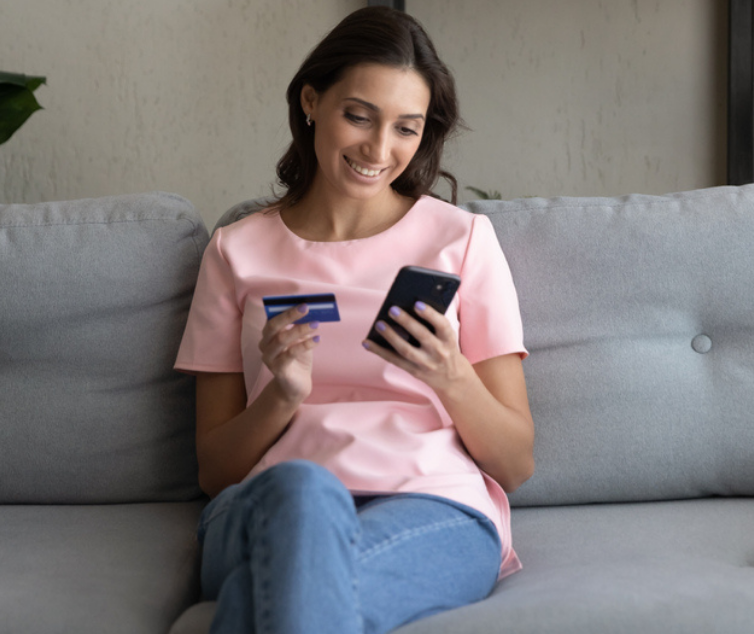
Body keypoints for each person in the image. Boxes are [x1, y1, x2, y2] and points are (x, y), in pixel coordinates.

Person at [174, 7, 533, 633]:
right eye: (358, 115)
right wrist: (281, 397)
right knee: (305, 492)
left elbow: (516, 463)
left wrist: (452, 378)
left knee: (281, 598)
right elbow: (216, 473)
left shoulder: (464, 241)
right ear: (312, 101)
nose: (378, 149)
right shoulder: (236, 251)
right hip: (270, 501)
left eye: (406, 128)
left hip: (430, 504)